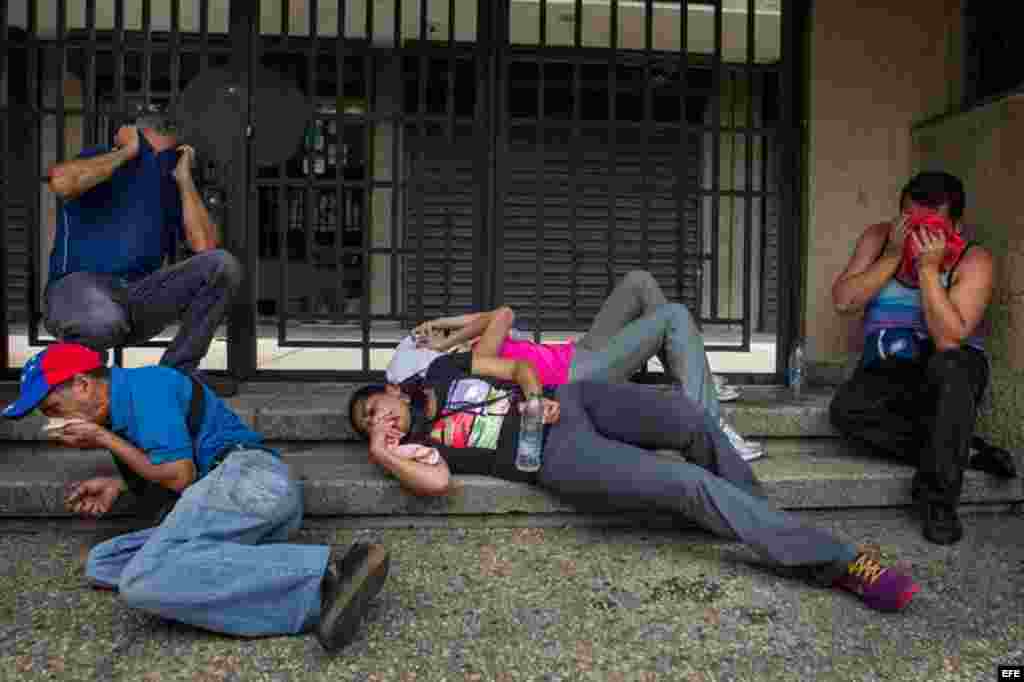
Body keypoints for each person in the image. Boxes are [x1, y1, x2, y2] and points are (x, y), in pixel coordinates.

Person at [348, 352, 920, 613]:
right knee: (687, 483)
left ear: (393, 389)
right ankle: (840, 562)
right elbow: (436, 485)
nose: (380, 420)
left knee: (686, 417)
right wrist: (385, 452)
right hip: (558, 455)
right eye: (368, 427)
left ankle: (766, 524)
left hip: (569, 402)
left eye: (376, 407)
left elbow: (520, 370)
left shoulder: (447, 370)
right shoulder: (418, 444)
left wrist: (536, 397)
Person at [1, 342, 389, 652]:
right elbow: (177, 468)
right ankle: (279, 571)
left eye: (53, 407)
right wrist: (116, 484)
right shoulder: (123, 409)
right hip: (231, 496)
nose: (53, 420)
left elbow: (179, 476)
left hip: (251, 479)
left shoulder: (144, 387)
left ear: (83, 384)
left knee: (140, 582)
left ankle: (326, 576)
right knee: (103, 562)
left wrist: (103, 439)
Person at [392, 271, 761, 460]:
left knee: (639, 282)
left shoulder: (476, 343)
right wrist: (446, 339)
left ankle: (693, 375)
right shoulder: (476, 361)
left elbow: (485, 316)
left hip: (580, 351)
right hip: (579, 373)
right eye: (424, 340)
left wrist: (445, 323)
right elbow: (501, 314)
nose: (433, 333)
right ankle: (710, 422)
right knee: (674, 316)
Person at [830, 171, 1015, 546]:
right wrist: (896, 256)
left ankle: (938, 504)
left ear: (956, 226)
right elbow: (844, 301)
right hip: (891, 367)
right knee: (847, 410)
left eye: (932, 227)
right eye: (911, 224)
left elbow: (949, 339)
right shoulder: (880, 239)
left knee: (951, 366)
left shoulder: (973, 258)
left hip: (950, 370)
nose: (919, 236)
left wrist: (929, 269)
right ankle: (964, 452)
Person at [43, 113, 241, 396]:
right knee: (102, 317)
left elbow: (207, 248)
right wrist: (127, 153)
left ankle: (175, 377)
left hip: (137, 298)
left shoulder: (170, 183)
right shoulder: (100, 162)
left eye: (167, 155)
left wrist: (183, 179)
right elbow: (61, 182)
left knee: (223, 265)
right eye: (149, 153)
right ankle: (86, 379)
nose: (155, 162)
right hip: (78, 289)